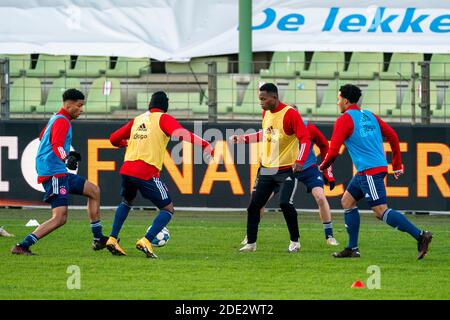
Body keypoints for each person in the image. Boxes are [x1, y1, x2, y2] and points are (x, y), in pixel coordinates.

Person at [319, 84, 432, 259]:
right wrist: (397, 164)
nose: (337, 102)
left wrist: (323, 166)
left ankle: (420, 235)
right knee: (347, 201)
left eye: (339, 98)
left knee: (380, 211)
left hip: (369, 171)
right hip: (370, 169)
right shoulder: (369, 115)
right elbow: (393, 136)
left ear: (346, 101)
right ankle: (352, 248)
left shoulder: (344, 120)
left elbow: (333, 151)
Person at [107, 91, 214, 258]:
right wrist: (205, 144)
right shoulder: (163, 118)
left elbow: (113, 138)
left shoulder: (138, 119)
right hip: (146, 171)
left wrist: (125, 143)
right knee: (168, 209)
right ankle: (146, 240)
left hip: (127, 169)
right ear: (166, 106)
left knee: (127, 202)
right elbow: (182, 134)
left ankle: (112, 239)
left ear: (150, 104)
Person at [11, 89, 108, 256]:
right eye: (79, 106)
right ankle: (22, 245)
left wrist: (66, 156)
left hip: (57, 170)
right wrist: (66, 158)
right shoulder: (62, 121)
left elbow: (43, 137)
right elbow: (56, 144)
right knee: (60, 217)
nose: (81, 109)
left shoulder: (56, 118)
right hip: (54, 173)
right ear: (69, 105)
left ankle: (98, 238)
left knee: (94, 191)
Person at [236, 104, 339, 247]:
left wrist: (328, 170)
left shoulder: (308, 128)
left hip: (307, 168)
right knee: (259, 201)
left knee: (320, 197)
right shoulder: (279, 125)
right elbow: (264, 134)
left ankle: (329, 236)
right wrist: (245, 139)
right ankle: (250, 236)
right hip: (284, 169)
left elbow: (324, 145)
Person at [230, 83, 311, 253]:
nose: (261, 102)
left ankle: (295, 241)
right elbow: (265, 133)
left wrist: (300, 160)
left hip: (286, 169)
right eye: (259, 99)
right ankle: (251, 243)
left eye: (263, 99)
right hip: (266, 169)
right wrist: (244, 139)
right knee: (254, 207)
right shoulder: (266, 112)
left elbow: (305, 138)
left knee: (285, 203)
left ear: (274, 97)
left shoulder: (290, 114)